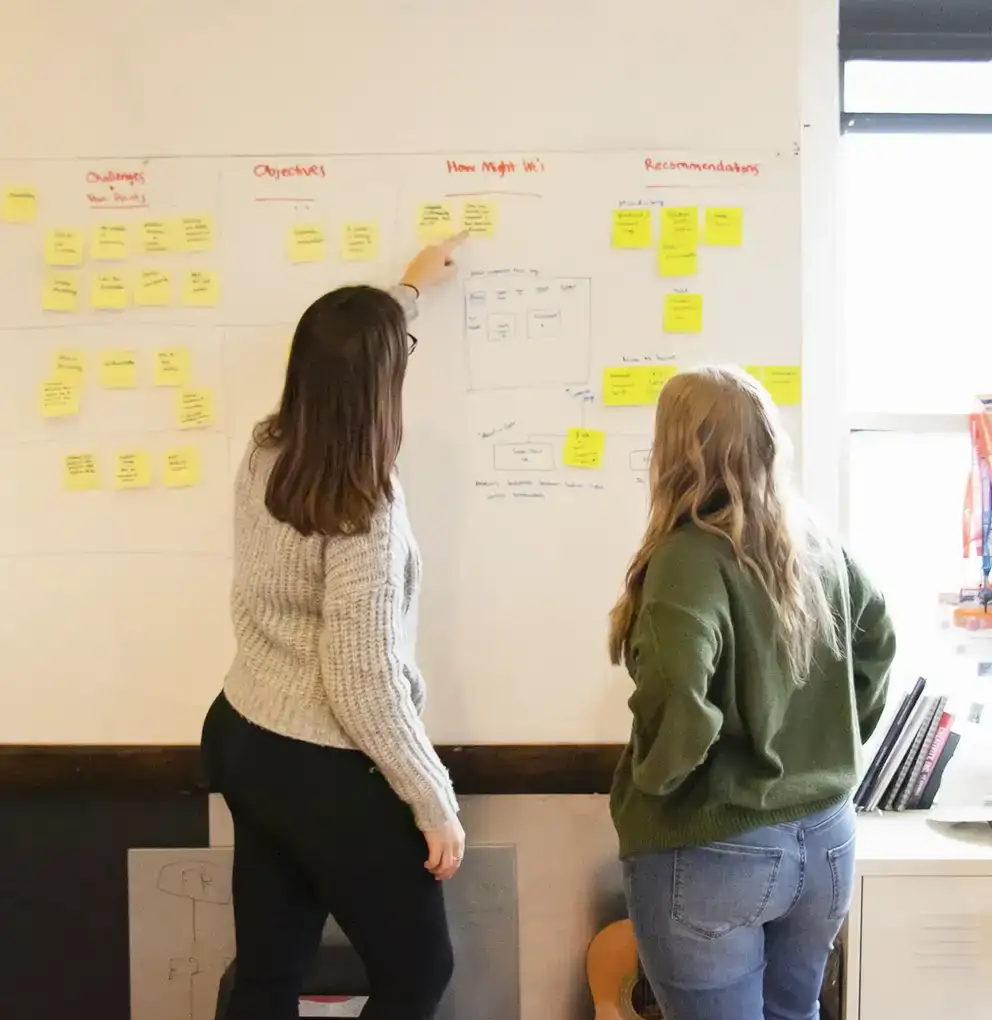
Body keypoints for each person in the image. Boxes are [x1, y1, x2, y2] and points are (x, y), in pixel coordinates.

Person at [200, 234, 469, 1020]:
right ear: (381, 386)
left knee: (268, 972)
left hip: (244, 733)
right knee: (419, 972)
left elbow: (342, 355)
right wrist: (433, 800)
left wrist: (408, 294)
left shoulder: (268, 449)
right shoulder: (364, 508)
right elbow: (362, 679)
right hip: (322, 761)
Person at [608, 366, 895, 1020]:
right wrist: (832, 739)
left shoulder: (687, 556)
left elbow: (678, 688)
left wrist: (655, 780)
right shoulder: (819, 543)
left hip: (715, 843)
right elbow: (879, 642)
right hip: (827, 839)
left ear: (675, 450)